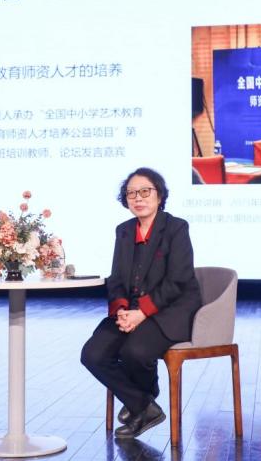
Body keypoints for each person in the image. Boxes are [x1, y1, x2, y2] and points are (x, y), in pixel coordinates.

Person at [81, 167, 202, 439]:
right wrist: (123, 310)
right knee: (92, 354)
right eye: (131, 193)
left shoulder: (176, 228)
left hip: (170, 310)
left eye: (145, 191)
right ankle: (143, 405)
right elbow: (116, 278)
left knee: (135, 351)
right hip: (132, 310)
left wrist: (142, 313)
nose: (138, 198)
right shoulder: (124, 231)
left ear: (159, 195)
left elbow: (178, 281)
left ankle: (141, 401)